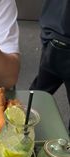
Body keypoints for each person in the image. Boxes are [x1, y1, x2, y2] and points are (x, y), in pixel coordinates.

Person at [30, 0, 70, 131]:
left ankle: (21, 133)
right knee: (34, 99)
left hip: (54, 35)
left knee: (35, 98)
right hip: (54, 36)